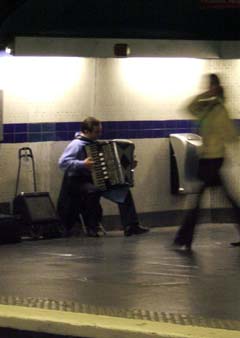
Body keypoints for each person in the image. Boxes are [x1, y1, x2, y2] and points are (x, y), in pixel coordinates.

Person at [173, 73, 240, 250]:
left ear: (216, 87)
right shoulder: (206, 106)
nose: (207, 88)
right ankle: (184, 238)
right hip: (207, 159)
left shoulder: (220, 110)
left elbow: (231, 135)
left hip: (214, 159)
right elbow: (189, 107)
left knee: (198, 200)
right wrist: (205, 95)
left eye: (210, 85)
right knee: (227, 199)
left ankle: (184, 238)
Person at [57, 116, 149, 237]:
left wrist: (128, 164)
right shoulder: (77, 144)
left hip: (98, 179)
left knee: (123, 190)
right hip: (78, 181)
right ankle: (92, 227)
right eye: (97, 132)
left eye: (100, 131)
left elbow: (112, 165)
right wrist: (82, 164)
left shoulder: (96, 144)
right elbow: (63, 163)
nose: (99, 134)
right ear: (86, 131)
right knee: (94, 191)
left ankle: (131, 225)